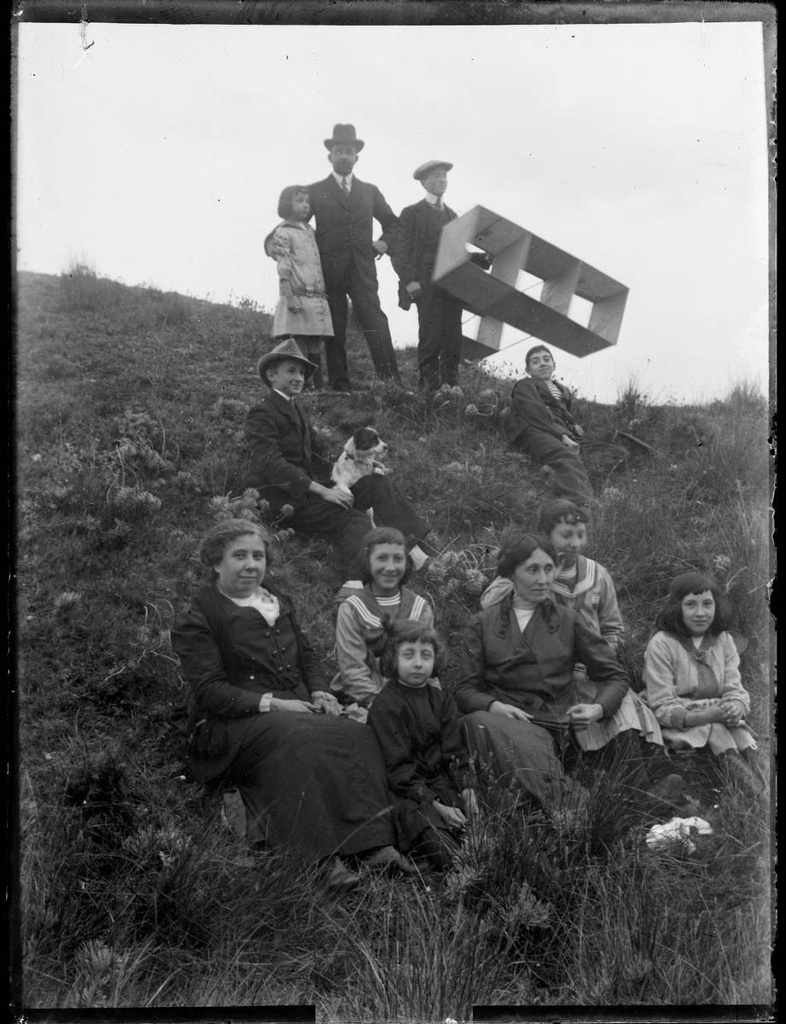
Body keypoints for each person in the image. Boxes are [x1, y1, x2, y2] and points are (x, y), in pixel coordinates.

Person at [170, 518, 415, 891]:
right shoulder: (199, 616)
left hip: (295, 708)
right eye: (239, 556)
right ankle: (318, 860)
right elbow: (209, 691)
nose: (252, 564)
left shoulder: (277, 601)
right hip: (228, 724)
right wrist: (277, 706)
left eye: (258, 555)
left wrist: (319, 692)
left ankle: (371, 845)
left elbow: (309, 656)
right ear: (216, 562)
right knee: (295, 737)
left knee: (357, 734)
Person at [455, 534, 639, 813]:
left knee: (528, 742)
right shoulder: (482, 624)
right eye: (532, 570)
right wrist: (494, 706)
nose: (543, 579)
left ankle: (568, 807)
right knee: (475, 722)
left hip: (553, 726)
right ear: (510, 574)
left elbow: (615, 675)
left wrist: (597, 709)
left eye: (548, 569)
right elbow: (464, 690)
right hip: (501, 723)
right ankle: (572, 805)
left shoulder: (568, 620)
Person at [245, 338, 433, 597]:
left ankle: (414, 548)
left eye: (301, 372)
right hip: (284, 498)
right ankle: (353, 584)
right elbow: (270, 464)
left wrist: (357, 460)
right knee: (352, 516)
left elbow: (317, 452)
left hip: (311, 487)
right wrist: (324, 492)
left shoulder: (296, 407)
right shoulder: (262, 412)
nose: (299, 377)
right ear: (271, 375)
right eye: (291, 370)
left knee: (376, 483)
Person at [480, 500, 664, 756]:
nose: (575, 544)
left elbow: (613, 629)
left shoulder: (597, 575)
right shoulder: (535, 576)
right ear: (546, 536)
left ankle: (643, 771)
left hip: (591, 667)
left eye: (581, 535)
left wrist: (597, 655)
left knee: (621, 708)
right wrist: (539, 568)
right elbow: (489, 603)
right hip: (548, 671)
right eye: (566, 536)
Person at [368, 620, 479, 872]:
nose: (418, 663)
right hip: (407, 793)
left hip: (441, 784)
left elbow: (456, 754)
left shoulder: (442, 700)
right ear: (392, 659)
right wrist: (436, 805)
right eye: (408, 655)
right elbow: (398, 770)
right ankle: (443, 867)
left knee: (477, 831)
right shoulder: (386, 704)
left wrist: (467, 790)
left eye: (426, 656)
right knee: (444, 849)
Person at [642, 572, 759, 794]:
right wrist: (706, 716)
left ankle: (761, 778)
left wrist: (736, 706)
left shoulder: (722, 640)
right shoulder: (662, 644)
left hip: (718, 716)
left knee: (738, 730)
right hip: (679, 724)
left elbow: (735, 689)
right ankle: (748, 787)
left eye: (707, 604)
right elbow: (662, 706)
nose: (700, 613)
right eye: (690, 605)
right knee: (716, 728)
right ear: (677, 608)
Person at [305, 123, 401, 392]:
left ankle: (390, 381)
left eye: (349, 151)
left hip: (362, 269)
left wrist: (383, 242)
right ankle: (339, 384)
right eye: (339, 151)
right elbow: (299, 224)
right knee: (334, 324)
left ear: (357, 157)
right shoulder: (314, 190)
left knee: (375, 321)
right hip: (329, 270)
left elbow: (393, 224)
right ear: (330, 156)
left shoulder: (370, 191)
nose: (344, 156)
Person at [392, 160, 477, 391]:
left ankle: (451, 384)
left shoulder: (452, 215)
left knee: (453, 334)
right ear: (423, 182)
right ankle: (428, 385)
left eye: (444, 177)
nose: (442, 180)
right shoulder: (411, 213)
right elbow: (401, 252)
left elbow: (458, 252)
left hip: (451, 284)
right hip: (424, 283)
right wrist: (409, 280)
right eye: (436, 176)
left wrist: (480, 259)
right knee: (430, 335)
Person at [332, 527, 435, 716]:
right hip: (366, 700)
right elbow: (352, 669)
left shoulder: (420, 608)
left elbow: (429, 664)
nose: (390, 567)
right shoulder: (352, 608)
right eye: (381, 558)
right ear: (367, 561)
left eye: (398, 559)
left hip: (413, 699)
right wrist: (381, 706)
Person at [264, 184, 333, 390]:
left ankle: (318, 384)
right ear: (287, 204)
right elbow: (283, 265)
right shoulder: (284, 232)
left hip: (316, 296)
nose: (305, 205)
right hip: (297, 294)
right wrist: (289, 295)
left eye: (307, 202)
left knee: (315, 343)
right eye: (299, 201)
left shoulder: (310, 231)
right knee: (299, 341)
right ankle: (304, 383)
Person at [505, 344, 593, 507]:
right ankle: (581, 505)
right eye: (535, 361)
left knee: (606, 453)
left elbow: (563, 413)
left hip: (559, 430)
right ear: (528, 369)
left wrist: (573, 426)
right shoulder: (525, 385)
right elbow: (534, 412)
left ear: (554, 365)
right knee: (567, 456)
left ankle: (550, 473)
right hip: (534, 428)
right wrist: (562, 435)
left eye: (546, 359)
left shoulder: (562, 390)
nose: (543, 363)